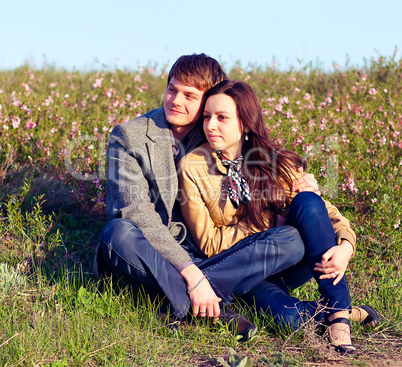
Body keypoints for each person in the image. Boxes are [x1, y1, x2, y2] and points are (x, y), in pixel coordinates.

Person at [93, 54, 317, 340]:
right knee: (118, 233)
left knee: (291, 241)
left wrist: (305, 187)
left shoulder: (217, 130)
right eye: (172, 89)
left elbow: (263, 168)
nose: (176, 100)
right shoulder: (130, 137)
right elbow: (136, 213)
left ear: (208, 99)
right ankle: (218, 301)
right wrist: (191, 273)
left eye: (189, 95)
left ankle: (185, 302)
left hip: (214, 250)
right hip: (153, 253)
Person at [178, 80, 379, 354]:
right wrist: (267, 225)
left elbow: (323, 213)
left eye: (222, 117)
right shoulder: (193, 167)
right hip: (245, 271)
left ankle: (338, 315)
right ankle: (344, 312)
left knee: (308, 200)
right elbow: (209, 244)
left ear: (245, 123)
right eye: (207, 117)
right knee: (287, 317)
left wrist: (346, 246)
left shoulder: (274, 160)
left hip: (290, 264)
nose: (210, 125)